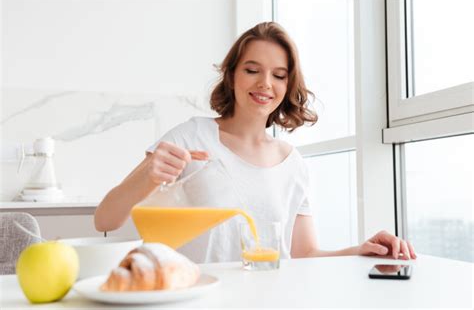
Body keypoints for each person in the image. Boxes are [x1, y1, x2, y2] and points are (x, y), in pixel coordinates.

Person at [95, 22, 416, 263]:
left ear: (289, 85)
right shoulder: (190, 137)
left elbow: (302, 254)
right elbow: (105, 220)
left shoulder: (293, 163)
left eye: (279, 75)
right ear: (232, 74)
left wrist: (359, 252)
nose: (265, 83)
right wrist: (150, 172)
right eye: (252, 70)